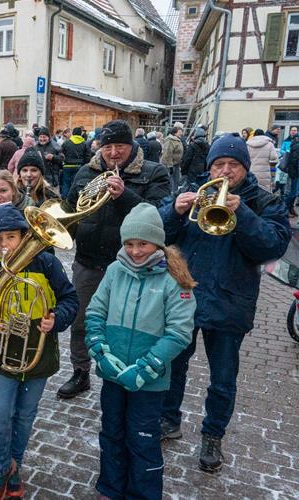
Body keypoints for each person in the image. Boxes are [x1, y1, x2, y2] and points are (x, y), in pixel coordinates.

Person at [159, 133, 290, 473]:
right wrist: (173, 211)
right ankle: (168, 419)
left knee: (222, 378)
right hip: (185, 298)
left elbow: (273, 246)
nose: (226, 171)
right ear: (210, 166)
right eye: (219, 164)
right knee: (174, 367)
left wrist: (243, 214)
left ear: (245, 168)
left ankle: (212, 436)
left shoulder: (263, 202)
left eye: (234, 165)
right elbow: (158, 234)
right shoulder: (193, 192)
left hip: (231, 302)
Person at [0, 204, 78, 500]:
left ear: (24, 237)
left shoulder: (46, 264)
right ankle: (1, 468)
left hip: (39, 356)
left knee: (25, 416)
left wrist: (58, 318)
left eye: (11, 237)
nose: (4, 245)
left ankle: (15, 467)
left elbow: (70, 299)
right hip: (0, 357)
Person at [85, 203, 195, 500]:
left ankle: (142, 494)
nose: (135, 251)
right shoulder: (114, 270)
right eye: (129, 243)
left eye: (142, 243)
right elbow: (95, 312)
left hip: (149, 381)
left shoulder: (174, 280)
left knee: (142, 438)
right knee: (111, 432)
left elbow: (179, 331)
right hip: (113, 374)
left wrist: (148, 366)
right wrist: (99, 350)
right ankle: (111, 487)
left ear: (156, 242)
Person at [58, 120, 171, 399]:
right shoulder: (87, 171)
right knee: (81, 320)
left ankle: (126, 372)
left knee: (127, 325)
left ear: (131, 146)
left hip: (130, 267)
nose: (113, 152)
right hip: (87, 260)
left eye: (120, 146)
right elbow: (71, 208)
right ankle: (80, 371)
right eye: (107, 146)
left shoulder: (154, 172)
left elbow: (158, 216)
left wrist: (124, 196)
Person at [59, 127, 93, 198]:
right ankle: (74, 200)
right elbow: (87, 156)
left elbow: (61, 154)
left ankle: (64, 200)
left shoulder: (66, 143)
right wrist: (84, 164)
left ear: (73, 133)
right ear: (80, 133)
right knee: (75, 184)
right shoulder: (85, 143)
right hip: (79, 166)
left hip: (67, 166)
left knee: (66, 184)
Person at [161, 127, 184, 193]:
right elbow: (168, 153)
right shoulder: (170, 140)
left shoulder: (177, 140)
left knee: (176, 181)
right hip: (171, 164)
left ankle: (174, 193)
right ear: (175, 132)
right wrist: (169, 165)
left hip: (176, 164)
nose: (181, 133)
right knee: (171, 181)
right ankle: (170, 194)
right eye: (180, 132)